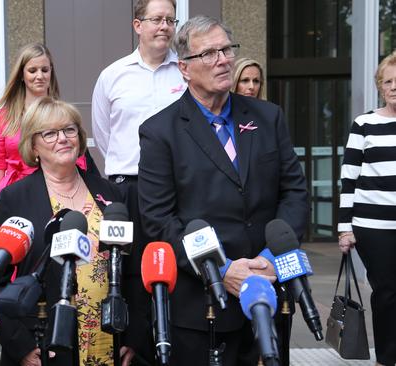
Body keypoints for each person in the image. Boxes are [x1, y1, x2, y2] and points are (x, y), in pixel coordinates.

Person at [137, 16, 308, 365]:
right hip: (202, 308)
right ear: (184, 68)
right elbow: (159, 220)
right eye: (210, 53)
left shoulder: (268, 117)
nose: (223, 59)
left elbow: (294, 192)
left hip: (269, 292)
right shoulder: (160, 132)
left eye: (227, 49)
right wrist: (222, 268)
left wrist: (270, 260)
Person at [0, 97, 136, 366]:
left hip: (109, 339)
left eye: (69, 130)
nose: (63, 138)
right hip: (46, 343)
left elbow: (132, 270)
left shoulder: (110, 192)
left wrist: (133, 337)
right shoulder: (15, 198)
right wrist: (20, 346)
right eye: (50, 133)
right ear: (33, 145)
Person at [91, 0, 185, 359]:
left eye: (170, 19)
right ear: (137, 25)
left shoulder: (185, 73)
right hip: (127, 190)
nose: (164, 26)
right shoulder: (113, 75)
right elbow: (103, 135)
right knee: (128, 274)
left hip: (176, 192)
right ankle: (131, 349)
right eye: (156, 19)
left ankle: (169, 347)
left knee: (172, 269)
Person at [0, 43, 92, 248]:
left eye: (45, 69)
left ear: (52, 72)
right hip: (15, 196)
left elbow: (79, 164)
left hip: (55, 194)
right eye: (32, 70)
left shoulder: (63, 114)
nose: (39, 75)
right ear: (21, 75)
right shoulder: (1, 118)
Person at [338, 51, 396, 366]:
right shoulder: (365, 124)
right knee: (386, 292)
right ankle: (387, 358)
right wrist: (344, 228)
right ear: (380, 86)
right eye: (388, 81)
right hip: (373, 228)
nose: (394, 87)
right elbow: (349, 180)